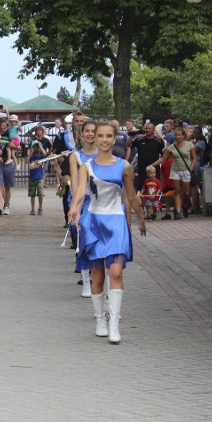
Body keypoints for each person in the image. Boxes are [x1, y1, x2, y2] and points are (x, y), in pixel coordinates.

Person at [69, 121, 147, 344]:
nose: (103, 139)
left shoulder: (124, 166)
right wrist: (74, 208)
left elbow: (131, 196)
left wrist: (140, 220)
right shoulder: (87, 166)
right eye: (100, 135)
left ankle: (114, 323)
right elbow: (81, 191)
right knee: (98, 276)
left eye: (108, 136)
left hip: (116, 222)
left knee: (115, 272)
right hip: (93, 222)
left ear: (115, 139)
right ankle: (100, 319)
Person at [70, 120, 99, 296]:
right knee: (83, 237)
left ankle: (98, 278)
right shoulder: (76, 156)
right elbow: (75, 182)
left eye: (93, 131)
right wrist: (76, 206)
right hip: (84, 201)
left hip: (102, 202)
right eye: (86, 131)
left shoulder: (103, 155)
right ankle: (86, 280)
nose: (90, 134)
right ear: (81, 135)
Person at [153, 126, 196, 219]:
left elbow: (194, 158)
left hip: (186, 170)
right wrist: (152, 165)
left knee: (186, 193)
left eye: (179, 135)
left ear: (183, 135)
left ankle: (186, 205)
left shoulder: (189, 145)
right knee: (176, 191)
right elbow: (164, 158)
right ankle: (178, 212)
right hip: (175, 170)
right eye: (176, 135)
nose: (178, 137)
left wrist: (191, 168)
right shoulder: (172, 147)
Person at [130, 122, 165, 191]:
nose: (147, 130)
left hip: (153, 171)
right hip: (141, 171)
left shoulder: (159, 141)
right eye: (146, 128)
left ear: (153, 130)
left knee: (152, 192)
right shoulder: (140, 140)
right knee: (141, 191)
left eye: (149, 128)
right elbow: (128, 145)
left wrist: (152, 165)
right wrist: (132, 135)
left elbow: (163, 157)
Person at [27, 141, 46, 215]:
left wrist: (40, 146)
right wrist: (31, 153)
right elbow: (26, 161)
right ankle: (32, 209)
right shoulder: (31, 157)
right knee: (32, 194)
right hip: (32, 178)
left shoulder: (40, 156)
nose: (36, 154)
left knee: (40, 193)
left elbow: (45, 154)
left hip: (40, 177)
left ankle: (40, 207)